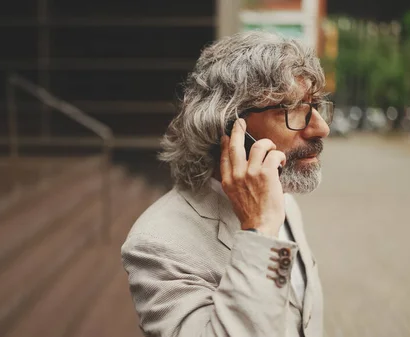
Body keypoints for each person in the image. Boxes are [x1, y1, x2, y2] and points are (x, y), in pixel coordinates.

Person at [121, 30, 333, 337]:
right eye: (291, 110)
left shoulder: (282, 199)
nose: (321, 128)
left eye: (314, 105)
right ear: (229, 127)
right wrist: (260, 233)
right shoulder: (158, 244)